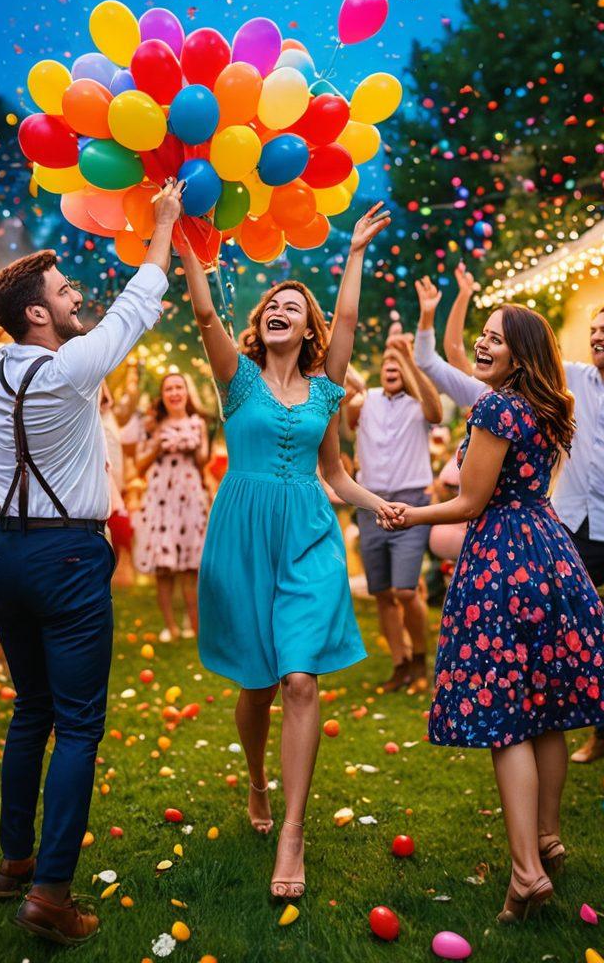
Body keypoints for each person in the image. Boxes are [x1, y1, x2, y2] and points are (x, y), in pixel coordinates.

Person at [0, 179, 184, 946]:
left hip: (7, 555)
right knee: (79, 724)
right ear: (38, 314)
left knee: (30, 709)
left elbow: (107, 320)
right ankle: (52, 892)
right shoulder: (70, 370)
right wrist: (163, 224)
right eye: (63, 292)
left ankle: (11, 862)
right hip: (66, 555)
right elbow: (139, 303)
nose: (75, 298)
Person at [387, 303, 604, 923]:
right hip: (548, 555)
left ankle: (526, 872)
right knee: (547, 708)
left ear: (520, 353)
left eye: (495, 339)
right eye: (482, 335)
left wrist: (411, 514)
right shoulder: (550, 407)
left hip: (502, 561)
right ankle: (548, 840)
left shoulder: (496, 408)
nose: (482, 345)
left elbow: (471, 502)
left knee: (509, 718)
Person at [180, 202, 398, 902]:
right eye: (272, 302)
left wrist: (375, 504)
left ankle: (293, 832)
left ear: (308, 328)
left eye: (293, 305)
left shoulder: (324, 391)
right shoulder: (236, 380)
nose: (279, 308)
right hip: (241, 539)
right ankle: (255, 777)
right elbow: (209, 318)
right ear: (262, 321)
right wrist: (183, 240)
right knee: (258, 687)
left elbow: (333, 473)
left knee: (301, 681)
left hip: (308, 535)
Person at [413, 271, 604, 780]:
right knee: (555, 666)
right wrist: (461, 299)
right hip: (561, 532)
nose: (598, 335)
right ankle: (594, 749)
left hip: (602, 530)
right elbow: (449, 354)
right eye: (594, 328)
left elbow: (471, 501)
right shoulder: (560, 388)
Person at [346, 336, 442, 692]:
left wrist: (409, 359)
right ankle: (400, 664)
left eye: (398, 361)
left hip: (411, 504)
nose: (392, 364)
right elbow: (348, 395)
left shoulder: (420, 404)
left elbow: (435, 412)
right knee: (383, 592)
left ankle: (419, 659)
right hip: (371, 505)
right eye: (387, 359)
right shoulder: (364, 400)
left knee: (404, 590)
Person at [133, 372, 210, 641]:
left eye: (179, 387)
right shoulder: (153, 424)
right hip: (161, 499)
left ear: (187, 393)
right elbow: (140, 465)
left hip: (189, 497)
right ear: (163, 395)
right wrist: (159, 443)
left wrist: (193, 444)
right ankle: (171, 627)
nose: (175, 393)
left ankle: (195, 625)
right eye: (169, 389)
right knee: (163, 568)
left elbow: (202, 462)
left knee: (191, 566)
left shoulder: (197, 423)